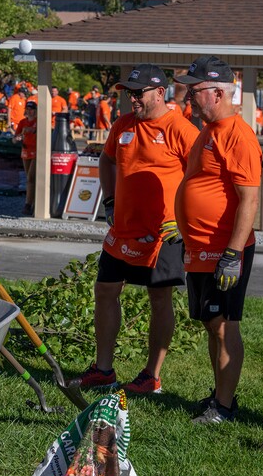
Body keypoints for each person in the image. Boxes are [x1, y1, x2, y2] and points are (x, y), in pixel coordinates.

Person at [73, 64, 199, 395]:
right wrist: (110, 201)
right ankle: (104, 370)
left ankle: (151, 376)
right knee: (104, 290)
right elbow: (107, 160)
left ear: (160, 92)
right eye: (129, 93)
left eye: (138, 93)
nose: (132, 100)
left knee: (159, 298)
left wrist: (186, 220)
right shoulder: (123, 125)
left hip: (163, 234)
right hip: (123, 230)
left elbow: (201, 177)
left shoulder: (180, 129)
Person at [174, 55, 262, 424]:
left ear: (217, 93)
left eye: (194, 91)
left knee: (224, 325)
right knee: (212, 324)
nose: (189, 97)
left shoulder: (238, 135)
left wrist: (231, 253)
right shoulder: (210, 130)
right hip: (201, 247)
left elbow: (250, 200)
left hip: (223, 249)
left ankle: (223, 408)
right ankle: (219, 395)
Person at [13, 100, 38, 216]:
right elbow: (14, 138)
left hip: (37, 151)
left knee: (31, 177)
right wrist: (17, 138)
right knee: (29, 179)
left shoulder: (39, 122)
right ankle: (30, 202)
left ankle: (28, 204)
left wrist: (33, 130)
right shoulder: (22, 122)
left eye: (32, 109)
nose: (29, 111)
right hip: (26, 150)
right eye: (27, 109)